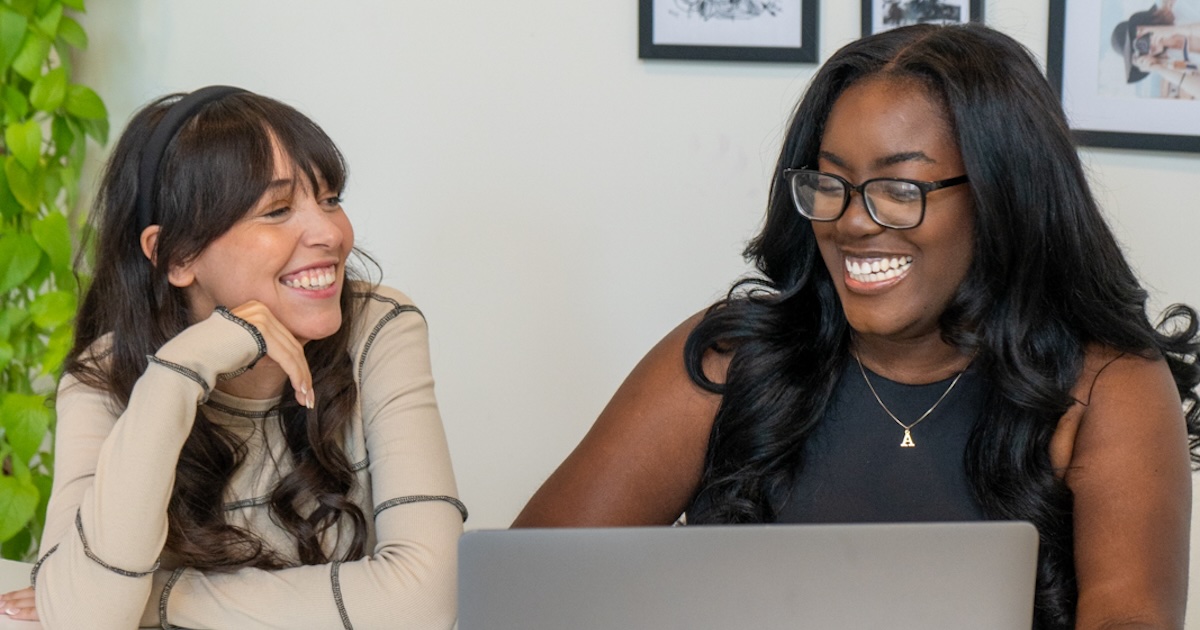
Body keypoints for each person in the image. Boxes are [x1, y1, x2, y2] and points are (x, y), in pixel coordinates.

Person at [513, 24, 1200, 630]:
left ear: (1003, 195)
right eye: (830, 182)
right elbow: (523, 594)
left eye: (901, 189)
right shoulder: (727, 362)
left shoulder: (1109, 387)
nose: (851, 221)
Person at [0, 87, 466, 629]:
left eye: (330, 199)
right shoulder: (106, 376)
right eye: (278, 210)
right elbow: (85, 618)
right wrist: (176, 376)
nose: (330, 233)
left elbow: (427, 600)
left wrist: (157, 598)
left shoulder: (378, 328)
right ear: (176, 255)